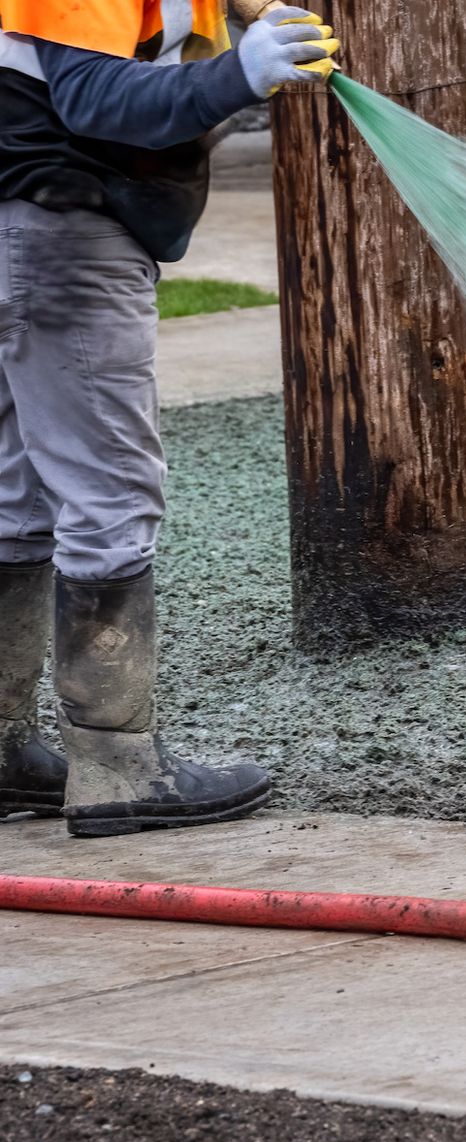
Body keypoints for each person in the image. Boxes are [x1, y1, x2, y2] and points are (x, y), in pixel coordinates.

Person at [0, 0, 336, 836]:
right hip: (61, 226)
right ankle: (118, 769)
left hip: (18, 222)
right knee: (108, 493)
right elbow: (94, 98)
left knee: (14, 494)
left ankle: (3, 753)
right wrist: (240, 75)